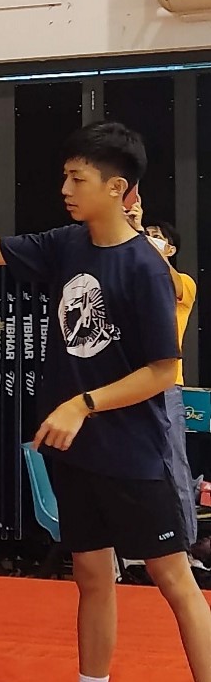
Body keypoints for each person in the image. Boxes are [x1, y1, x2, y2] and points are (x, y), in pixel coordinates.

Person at [0, 121, 211, 682]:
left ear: (119, 187)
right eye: (65, 177)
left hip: (136, 453)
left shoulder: (145, 269)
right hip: (79, 454)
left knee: (175, 581)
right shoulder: (66, 244)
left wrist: (83, 403)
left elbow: (163, 370)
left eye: (78, 179)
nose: (65, 189)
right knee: (90, 575)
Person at [127, 196, 199, 549]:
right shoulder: (140, 280)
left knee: (174, 463)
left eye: (158, 236)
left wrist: (139, 230)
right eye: (150, 233)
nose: (152, 238)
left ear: (170, 249)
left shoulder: (182, 283)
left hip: (167, 384)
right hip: (129, 383)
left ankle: (186, 543)